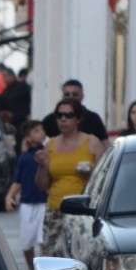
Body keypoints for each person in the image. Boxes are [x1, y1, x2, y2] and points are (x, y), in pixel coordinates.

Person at [35, 98, 104, 258]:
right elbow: (42, 185)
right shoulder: (50, 145)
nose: (63, 119)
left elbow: (104, 180)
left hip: (82, 212)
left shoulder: (92, 142)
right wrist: (43, 165)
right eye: (59, 115)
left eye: (68, 115)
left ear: (78, 118)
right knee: (52, 260)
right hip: (55, 210)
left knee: (80, 259)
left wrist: (91, 173)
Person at [6, 120, 48, 270]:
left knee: (43, 239)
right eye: (36, 131)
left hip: (44, 202)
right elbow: (18, 180)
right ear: (28, 138)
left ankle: (42, 268)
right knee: (26, 241)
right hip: (27, 203)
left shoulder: (48, 154)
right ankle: (31, 266)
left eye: (42, 130)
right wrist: (10, 196)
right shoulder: (24, 158)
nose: (41, 133)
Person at [41, 79, 109, 142]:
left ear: (82, 96)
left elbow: (105, 143)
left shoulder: (93, 118)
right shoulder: (51, 119)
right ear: (62, 96)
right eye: (67, 94)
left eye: (74, 94)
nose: (70, 97)